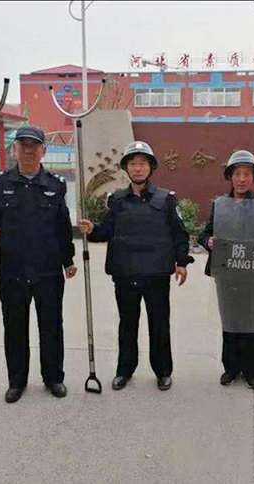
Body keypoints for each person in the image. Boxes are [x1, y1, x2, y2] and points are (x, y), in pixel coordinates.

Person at [0, 126, 77, 403]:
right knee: (15, 326)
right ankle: (16, 381)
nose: (29, 151)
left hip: (48, 269)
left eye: (34, 146)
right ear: (14, 150)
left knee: (51, 325)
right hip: (13, 269)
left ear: (44, 151)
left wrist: (68, 260)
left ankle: (53, 378)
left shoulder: (55, 184)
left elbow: (63, 227)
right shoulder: (1, 183)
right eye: (23, 145)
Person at [78, 141, 194, 391]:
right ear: (126, 168)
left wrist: (182, 262)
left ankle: (163, 371)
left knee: (159, 325)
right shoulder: (117, 200)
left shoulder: (166, 199)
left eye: (142, 163)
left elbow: (179, 234)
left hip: (156, 274)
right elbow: (106, 231)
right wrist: (92, 229)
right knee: (127, 325)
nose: (138, 168)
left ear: (151, 167)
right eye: (133, 163)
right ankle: (124, 370)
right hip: (126, 272)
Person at [198, 150, 254, 390]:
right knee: (230, 321)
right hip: (227, 274)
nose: (242, 179)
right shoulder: (220, 205)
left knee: (252, 322)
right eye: (237, 174)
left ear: (253, 177)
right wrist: (208, 241)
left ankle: (251, 370)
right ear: (230, 177)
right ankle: (231, 368)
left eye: (246, 174)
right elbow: (205, 233)